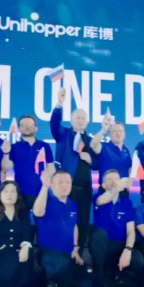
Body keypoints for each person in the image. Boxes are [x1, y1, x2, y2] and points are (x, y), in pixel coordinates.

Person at [49, 88, 94, 246]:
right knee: (64, 220)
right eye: (77, 118)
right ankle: (63, 252)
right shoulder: (63, 134)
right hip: (66, 187)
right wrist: (59, 104)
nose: (80, 120)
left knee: (83, 222)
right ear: (71, 120)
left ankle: (79, 252)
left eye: (83, 118)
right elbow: (54, 124)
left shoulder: (90, 140)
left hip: (85, 189)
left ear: (87, 121)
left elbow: (96, 163)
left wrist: (91, 160)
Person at [33, 165, 88, 287]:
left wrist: (75, 248)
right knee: (59, 265)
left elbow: (74, 226)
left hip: (68, 253)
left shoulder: (72, 204)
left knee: (83, 275)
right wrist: (44, 187)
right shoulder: (46, 199)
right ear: (52, 185)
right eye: (60, 182)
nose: (65, 185)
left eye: (68, 182)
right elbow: (37, 212)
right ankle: (52, 286)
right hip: (48, 252)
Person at [89, 169, 142, 287]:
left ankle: (114, 269)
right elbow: (100, 201)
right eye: (109, 179)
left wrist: (128, 250)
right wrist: (117, 188)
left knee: (138, 261)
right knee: (99, 234)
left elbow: (130, 231)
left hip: (119, 246)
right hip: (102, 246)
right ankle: (99, 278)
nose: (114, 182)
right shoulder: (97, 197)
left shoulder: (127, 203)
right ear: (103, 185)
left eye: (116, 179)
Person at [0, 182, 36, 287]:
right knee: (8, 273)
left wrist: (25, 246)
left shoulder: (23, 212)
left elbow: (27, 231)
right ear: (0, 195)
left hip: (20, 249)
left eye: (12, 192)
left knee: (25, 271)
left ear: (17, 195)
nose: (9, 194)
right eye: (5, 191)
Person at [6, 115, 54, 207]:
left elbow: (51, 168)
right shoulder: (14, 147)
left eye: (30, 124)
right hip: (20, 193)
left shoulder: (44, 146)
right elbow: (7, 167)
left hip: (41, 191)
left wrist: (53, 187)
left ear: (36, 128)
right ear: (19, 129)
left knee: (41, 216)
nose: (27, 127)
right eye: (23, 125)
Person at [89, 118, 132, 186]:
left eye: (121, 131)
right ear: (109, 134)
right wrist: (103, 130)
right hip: (107, 189)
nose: (118, 134)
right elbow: (93, 145)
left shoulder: (126, 151)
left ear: (124, 134)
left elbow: (129, 170)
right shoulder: (104, 147)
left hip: (123, 190)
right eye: (115, 131)